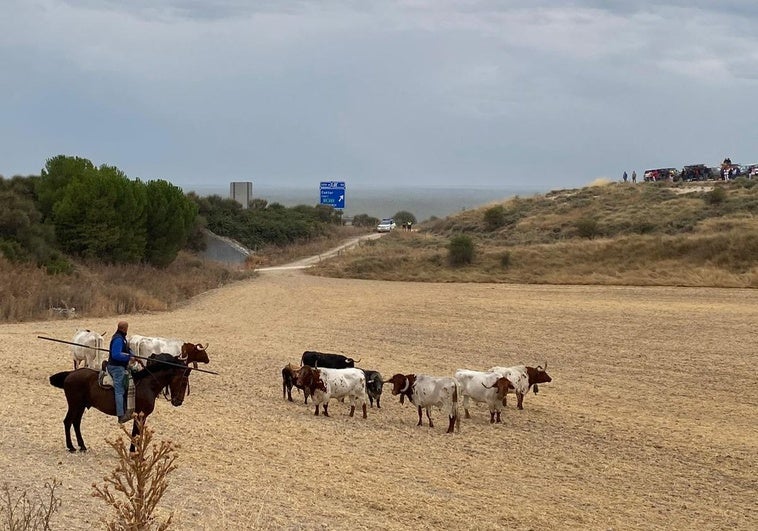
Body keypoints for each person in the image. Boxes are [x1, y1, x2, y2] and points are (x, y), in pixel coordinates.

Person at [108, 321, 135, 423]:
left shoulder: (122, 338)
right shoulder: (118, 339)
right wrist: (129, 357)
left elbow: (127, 349)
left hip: (121, 366)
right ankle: (121, 415)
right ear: (124, 329)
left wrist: (132, 354)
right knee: (119, 390)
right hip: (116, 367)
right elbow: (116, 355)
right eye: (127, 328)